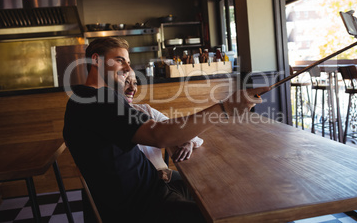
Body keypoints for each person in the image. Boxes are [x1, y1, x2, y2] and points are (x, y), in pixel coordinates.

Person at [63, 37, 269, 222]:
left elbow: (162, 129)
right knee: (230, 211)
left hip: (151, 190)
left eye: (128, 61)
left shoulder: (90, 100)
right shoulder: (96, 100)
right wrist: (225, 108)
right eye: (120, 60)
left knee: (223, 191)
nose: (128, 67)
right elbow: (160, 135)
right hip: (145, 207)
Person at [124, 69, 203, 182]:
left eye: (135, 83)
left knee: (200, 184)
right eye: (127, 82)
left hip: (164, 174)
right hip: (143, 184)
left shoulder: (145, 110)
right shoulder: (113, 119)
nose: (133, 88)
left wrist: (187, 141)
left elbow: (175, 127)